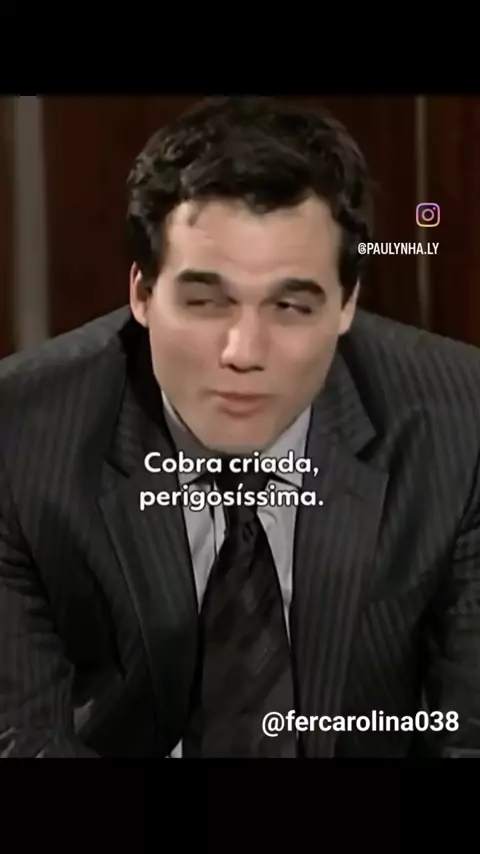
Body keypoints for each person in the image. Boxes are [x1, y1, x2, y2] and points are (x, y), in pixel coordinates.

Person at [1, 96, 480, 759]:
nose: (243, 351)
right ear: (141, 293)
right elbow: (23, 742)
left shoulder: (460, 423)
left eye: (290, 306)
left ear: (347, 304)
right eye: (206, 301)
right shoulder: (20, 437)